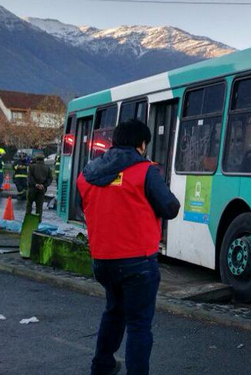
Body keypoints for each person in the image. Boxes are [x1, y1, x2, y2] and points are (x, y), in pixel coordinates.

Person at [77, 120, 180, 375]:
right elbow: (170, 208)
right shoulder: (145, 171)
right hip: (137, 263)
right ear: (141, 144)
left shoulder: (88, 172)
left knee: (113, 313)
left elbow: (83, 207)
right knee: (138, 326)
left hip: (103, 262)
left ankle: (101, 366)